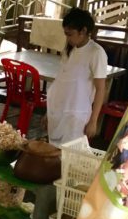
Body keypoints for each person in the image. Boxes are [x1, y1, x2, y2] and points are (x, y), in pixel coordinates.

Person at [45, 8, 108, 146]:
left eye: (70, 34)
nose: (67, 38)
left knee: (70, 155)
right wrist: (49, 111)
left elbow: (100, 89)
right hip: (59, 109)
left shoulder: (96, 53)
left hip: (77, 114)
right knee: (53, 153)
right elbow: (61, 80)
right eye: (66, 34)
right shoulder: (70, 50)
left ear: (83, 31)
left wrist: (93, 121)